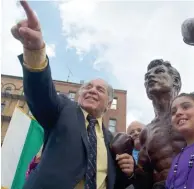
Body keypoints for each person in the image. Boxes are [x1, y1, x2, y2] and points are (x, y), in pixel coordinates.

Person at [12, 1, 134, 189]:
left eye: (100, 90)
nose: (92, 90)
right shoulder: (62, 109)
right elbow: (40, 94)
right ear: (78, 96)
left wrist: (128, 172)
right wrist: (35, 50)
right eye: (88, 87)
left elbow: (115, 182)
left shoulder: (111, 141)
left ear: (109, 105)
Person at [138, 59, 186, 189]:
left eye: (159, 72)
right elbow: (144, 180)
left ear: (175, 81)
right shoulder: (146, 132)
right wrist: (130, 169)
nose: (151, 77)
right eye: (147, 77)